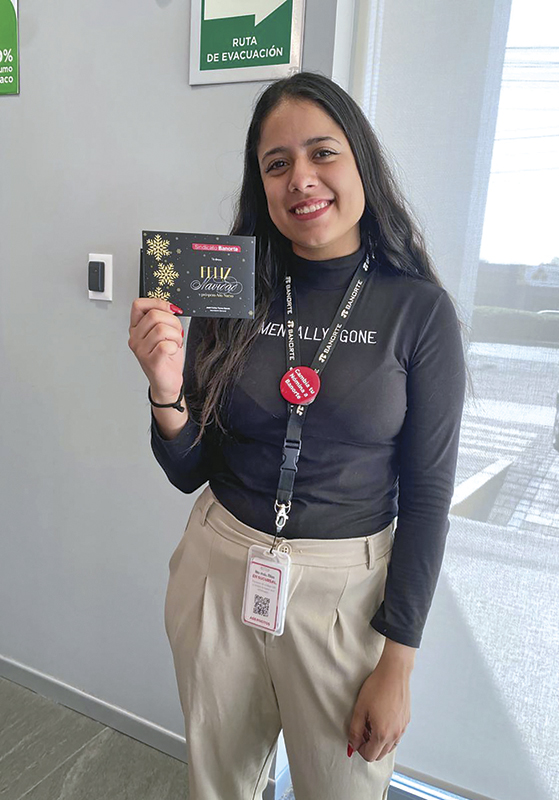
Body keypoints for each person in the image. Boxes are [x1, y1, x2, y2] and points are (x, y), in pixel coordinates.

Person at [128, 71, 467, 800]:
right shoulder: (230, 288)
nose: (301, 179)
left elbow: (429, 497)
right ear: (261, 184)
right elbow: (190, 471)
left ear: (360, 162)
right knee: (218, 785)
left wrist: (398, 661)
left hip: (346, 598)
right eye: (276, 163)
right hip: (219, 572)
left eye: (322, 153)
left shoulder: (419, 312)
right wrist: (164, 387)